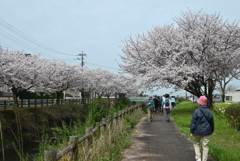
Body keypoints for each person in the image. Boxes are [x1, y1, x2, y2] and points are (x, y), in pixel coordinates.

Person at [190, 96, 214, 161]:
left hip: (197, 131)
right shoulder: (209, 112)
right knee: (205, 146)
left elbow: (193, 122)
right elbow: (212, 122)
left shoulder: (196, 111)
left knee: (196, 143)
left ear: (199, 102)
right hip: (207, 131)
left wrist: (192, 131)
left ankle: (198, 158)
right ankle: (204, 159)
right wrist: (212, 130)